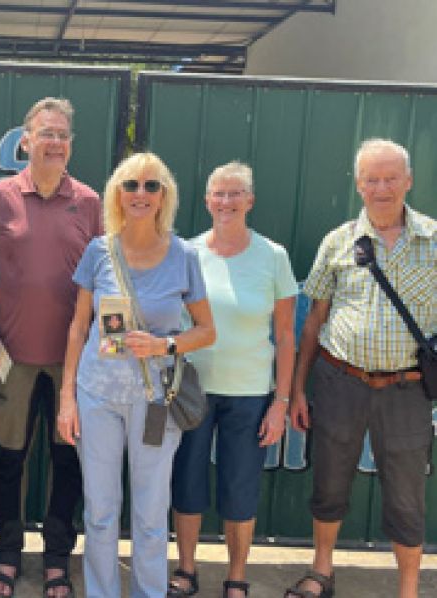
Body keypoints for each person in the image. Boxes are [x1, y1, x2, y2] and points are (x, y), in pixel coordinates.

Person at [58, 152, 215, 598]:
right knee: (101, 512)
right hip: (98, 397)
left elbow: (206, 331)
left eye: (151, 186)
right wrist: (67, 398)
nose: (140, 194)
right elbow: (78, 327)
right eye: (131, 185)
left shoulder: (184, 254)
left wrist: (165, 344)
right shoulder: (99, 250)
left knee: (150, 515)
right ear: (117, 194)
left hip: (154, 400)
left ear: (164, 194)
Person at [286, 138, 435, 598]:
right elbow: (313, 321)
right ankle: (322, 571)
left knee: (407, 496)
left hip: (407, 390)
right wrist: (296, 391)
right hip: (339, 382)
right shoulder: (338, 241)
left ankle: (408, 589)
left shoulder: (434, 241)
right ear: (358, 185)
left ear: (408, 181)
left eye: (391, 177)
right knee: (329, 481)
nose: (382, 187)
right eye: (372, 178)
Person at [0, 97, 102, 598]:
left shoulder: (91, 203)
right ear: (25, 140)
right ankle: (6, 553)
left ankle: (55, 559)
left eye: (62, 135)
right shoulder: (0, 197)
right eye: (45, 133)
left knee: (66, 460)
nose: (54, 142)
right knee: (10, 458)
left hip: (73, 362)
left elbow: (106, 280)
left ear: (70, 145)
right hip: (14, 356)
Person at [167, 162, 297, 598]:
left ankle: (236, 574)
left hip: (250, 396)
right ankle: (186, 568)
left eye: (235, 193)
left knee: (240, 489)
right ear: (206, 201)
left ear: (250, 201)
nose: (226, 201)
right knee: (187, 482)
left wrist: (281, 402)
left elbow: (284, 335)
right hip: (192, 391)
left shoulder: (272, 256)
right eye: (218, 194)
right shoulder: (186, 253)